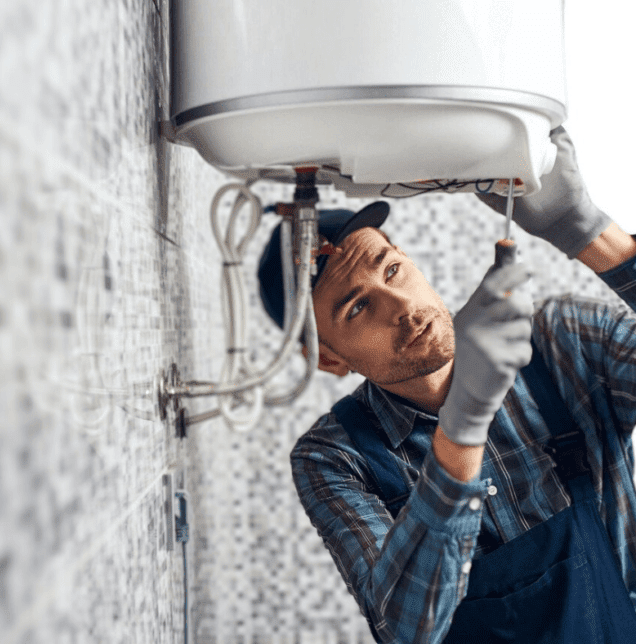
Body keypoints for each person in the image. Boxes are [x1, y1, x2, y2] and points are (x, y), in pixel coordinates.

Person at [256, 127, 636, 643]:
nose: (402, 307)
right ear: (328, 357)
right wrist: (463, 429)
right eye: (359, 306)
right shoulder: (334, 458)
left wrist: (587, 232)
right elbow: (407, 628)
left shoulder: (561, 342)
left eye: (391, 269)